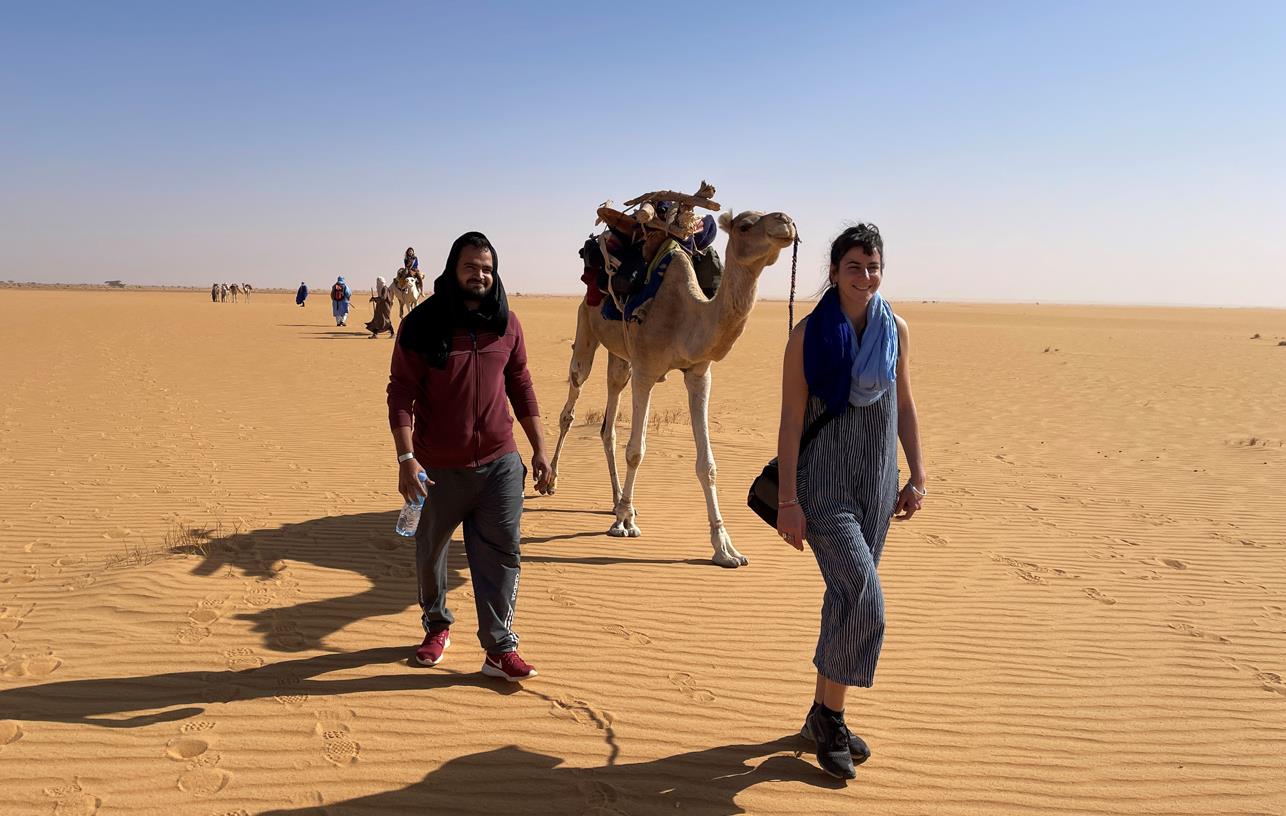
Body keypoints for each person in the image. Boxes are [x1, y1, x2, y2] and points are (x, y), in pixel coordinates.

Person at [774, 223, 926, 779]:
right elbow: (791, 422)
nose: (865, 277)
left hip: (876, 488)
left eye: (873, 266)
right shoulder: (807, 336)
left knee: (843, 599)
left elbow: (904, 406)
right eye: (854, 267)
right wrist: (789, 500)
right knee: (865, 598)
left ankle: (820, 712)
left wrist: (917, 476)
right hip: (823, 489)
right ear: (834, 271)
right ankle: (834, 720)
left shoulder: (896, 329)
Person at [387, 231, 552, 682]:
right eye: (470, 267)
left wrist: (539, 448)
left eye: (487, 268)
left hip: (500, 464)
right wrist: (406, 458)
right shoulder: (421, 325)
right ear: (453, 270)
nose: (479, 275)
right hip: (436, 469)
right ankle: (436, 625)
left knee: (502, 553)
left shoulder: (507, 324)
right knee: (430, 553)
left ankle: (500, 647)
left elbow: (520, 385)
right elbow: (401, 391)